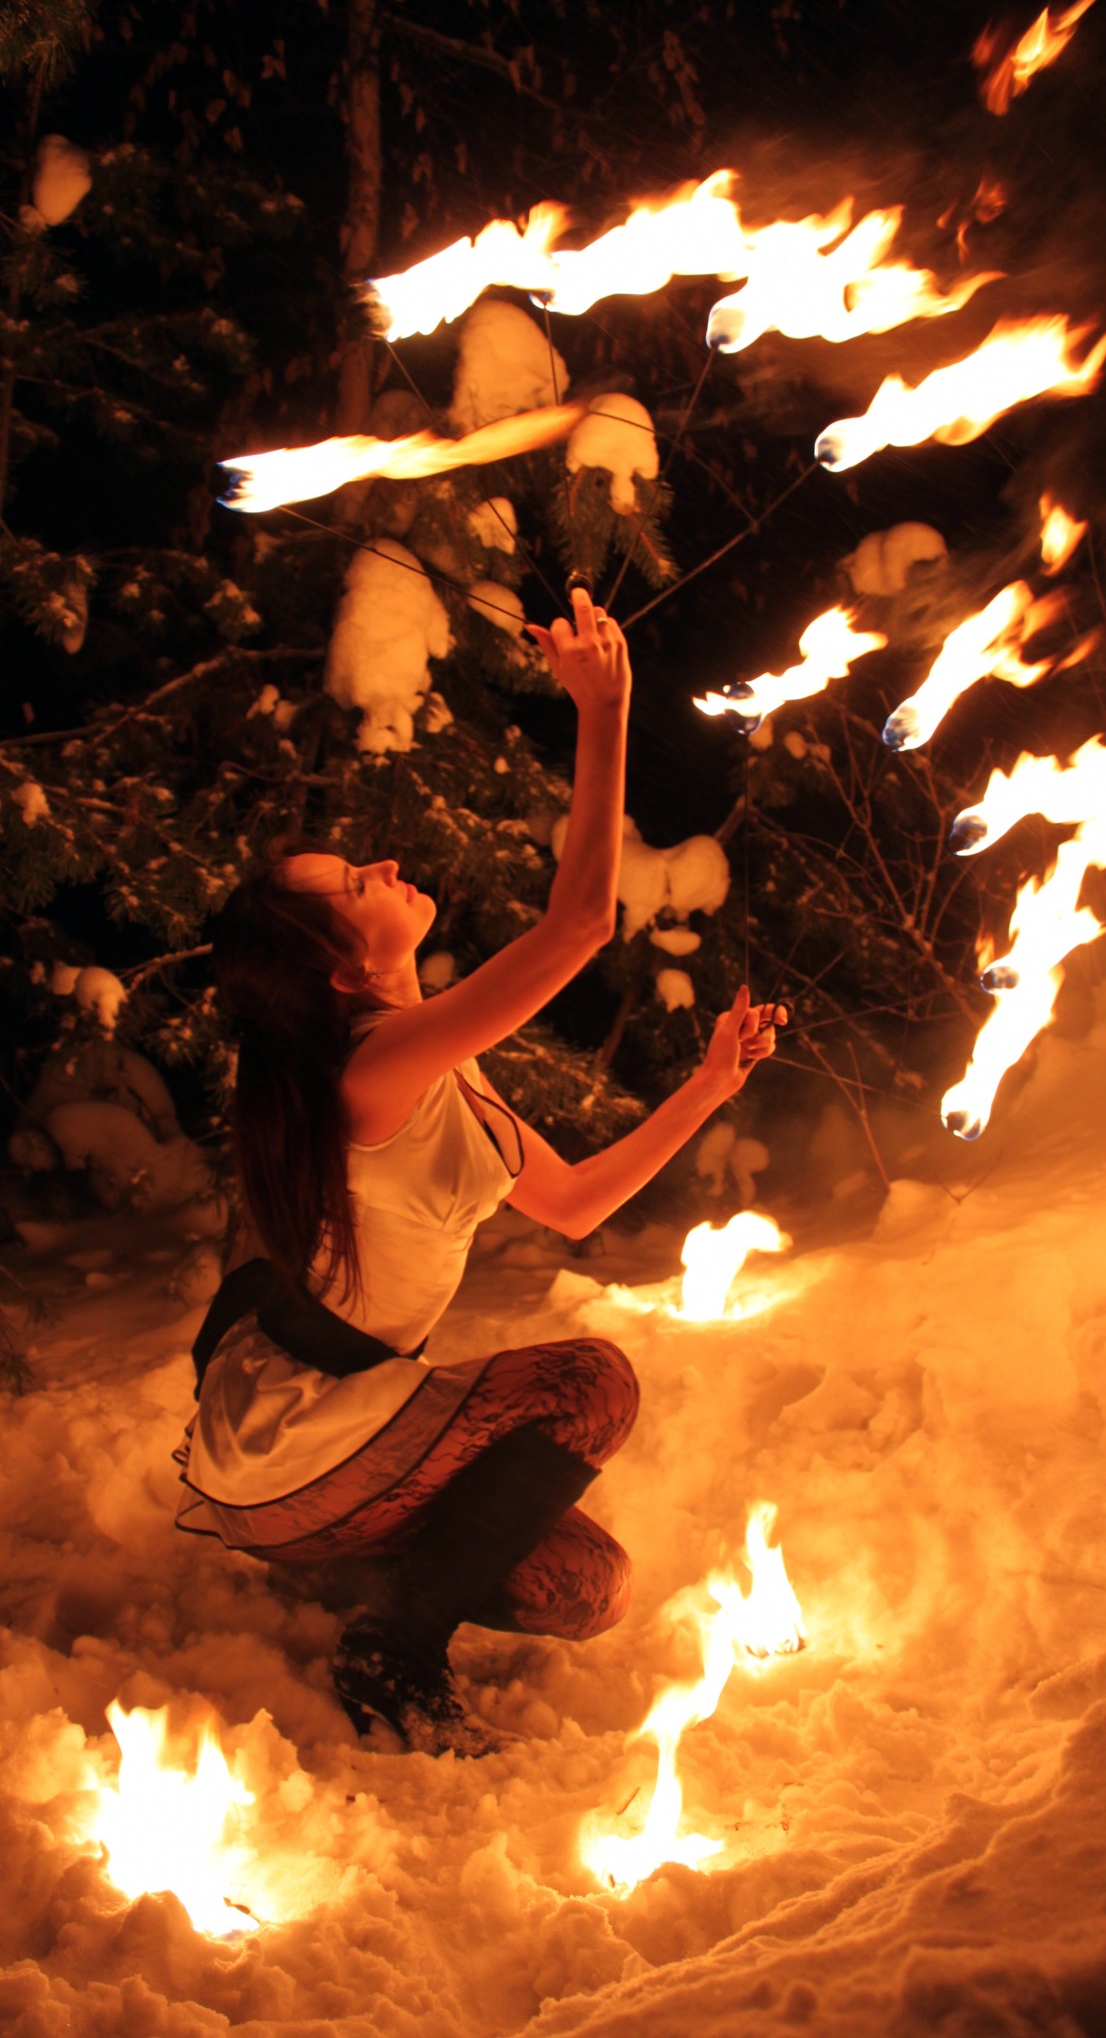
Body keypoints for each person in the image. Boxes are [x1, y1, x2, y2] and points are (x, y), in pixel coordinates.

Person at [175, 590, 784, 1754]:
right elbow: (577, 925)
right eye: (357, 884)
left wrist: (708, 1085)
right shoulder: (371, 1067)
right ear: (339, 969)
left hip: (334, 1459)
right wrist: (603, 709)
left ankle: (353, 1573)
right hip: (303, 1435)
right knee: (591, 1381)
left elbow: (573, 1201)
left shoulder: (433, 1063)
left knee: (583, 1583)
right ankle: (391, 1644)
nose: (382, 863)